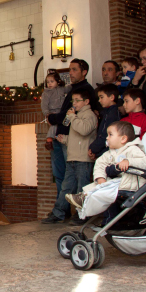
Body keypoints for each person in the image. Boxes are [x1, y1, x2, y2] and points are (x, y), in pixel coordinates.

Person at [42, 59, 97, 224]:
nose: (70, 73)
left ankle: (81, 213)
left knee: (81, 185)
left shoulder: (86, 92)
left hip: (80, 153)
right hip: (67, 141)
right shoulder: (71, 91)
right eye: (70, 70)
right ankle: (60, 211)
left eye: (74, 70)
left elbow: (73, 119)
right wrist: (60, 136)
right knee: (63, 181)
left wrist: (53, 118)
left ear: (84, 71)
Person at [65, 121, 146, 210]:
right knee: (98, 185)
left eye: (110, 135)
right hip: (117, 184)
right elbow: (100, 164)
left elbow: (142, 161)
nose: (107, 138)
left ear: (123, 139)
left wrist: (128, 161)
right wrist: (100, 178)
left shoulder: (133, 149)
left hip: (130, 185)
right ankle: (84, 197)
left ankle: (85, 198)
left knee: (103, 189)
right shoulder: (109, 153)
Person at [88, 84, 121, 161]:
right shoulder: (107, 113)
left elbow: (104, 135)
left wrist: (93, 148)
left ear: (112, 97)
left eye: (101, 97)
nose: (99, 100)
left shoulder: (111, 115)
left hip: (107, 153)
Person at [42, 72, 70, 150]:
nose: (49, 84)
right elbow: (44, 104)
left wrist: (74, 85)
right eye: (48, 82)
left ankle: (62, 136)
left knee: (65, 123)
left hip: (62, 111)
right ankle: (49, 139)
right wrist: (47, 114)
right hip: (53, 111)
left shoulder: (61, 89)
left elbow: (68, 88)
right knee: (54, 125)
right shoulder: (46, 93)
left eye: (52, 81)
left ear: (57, 82)